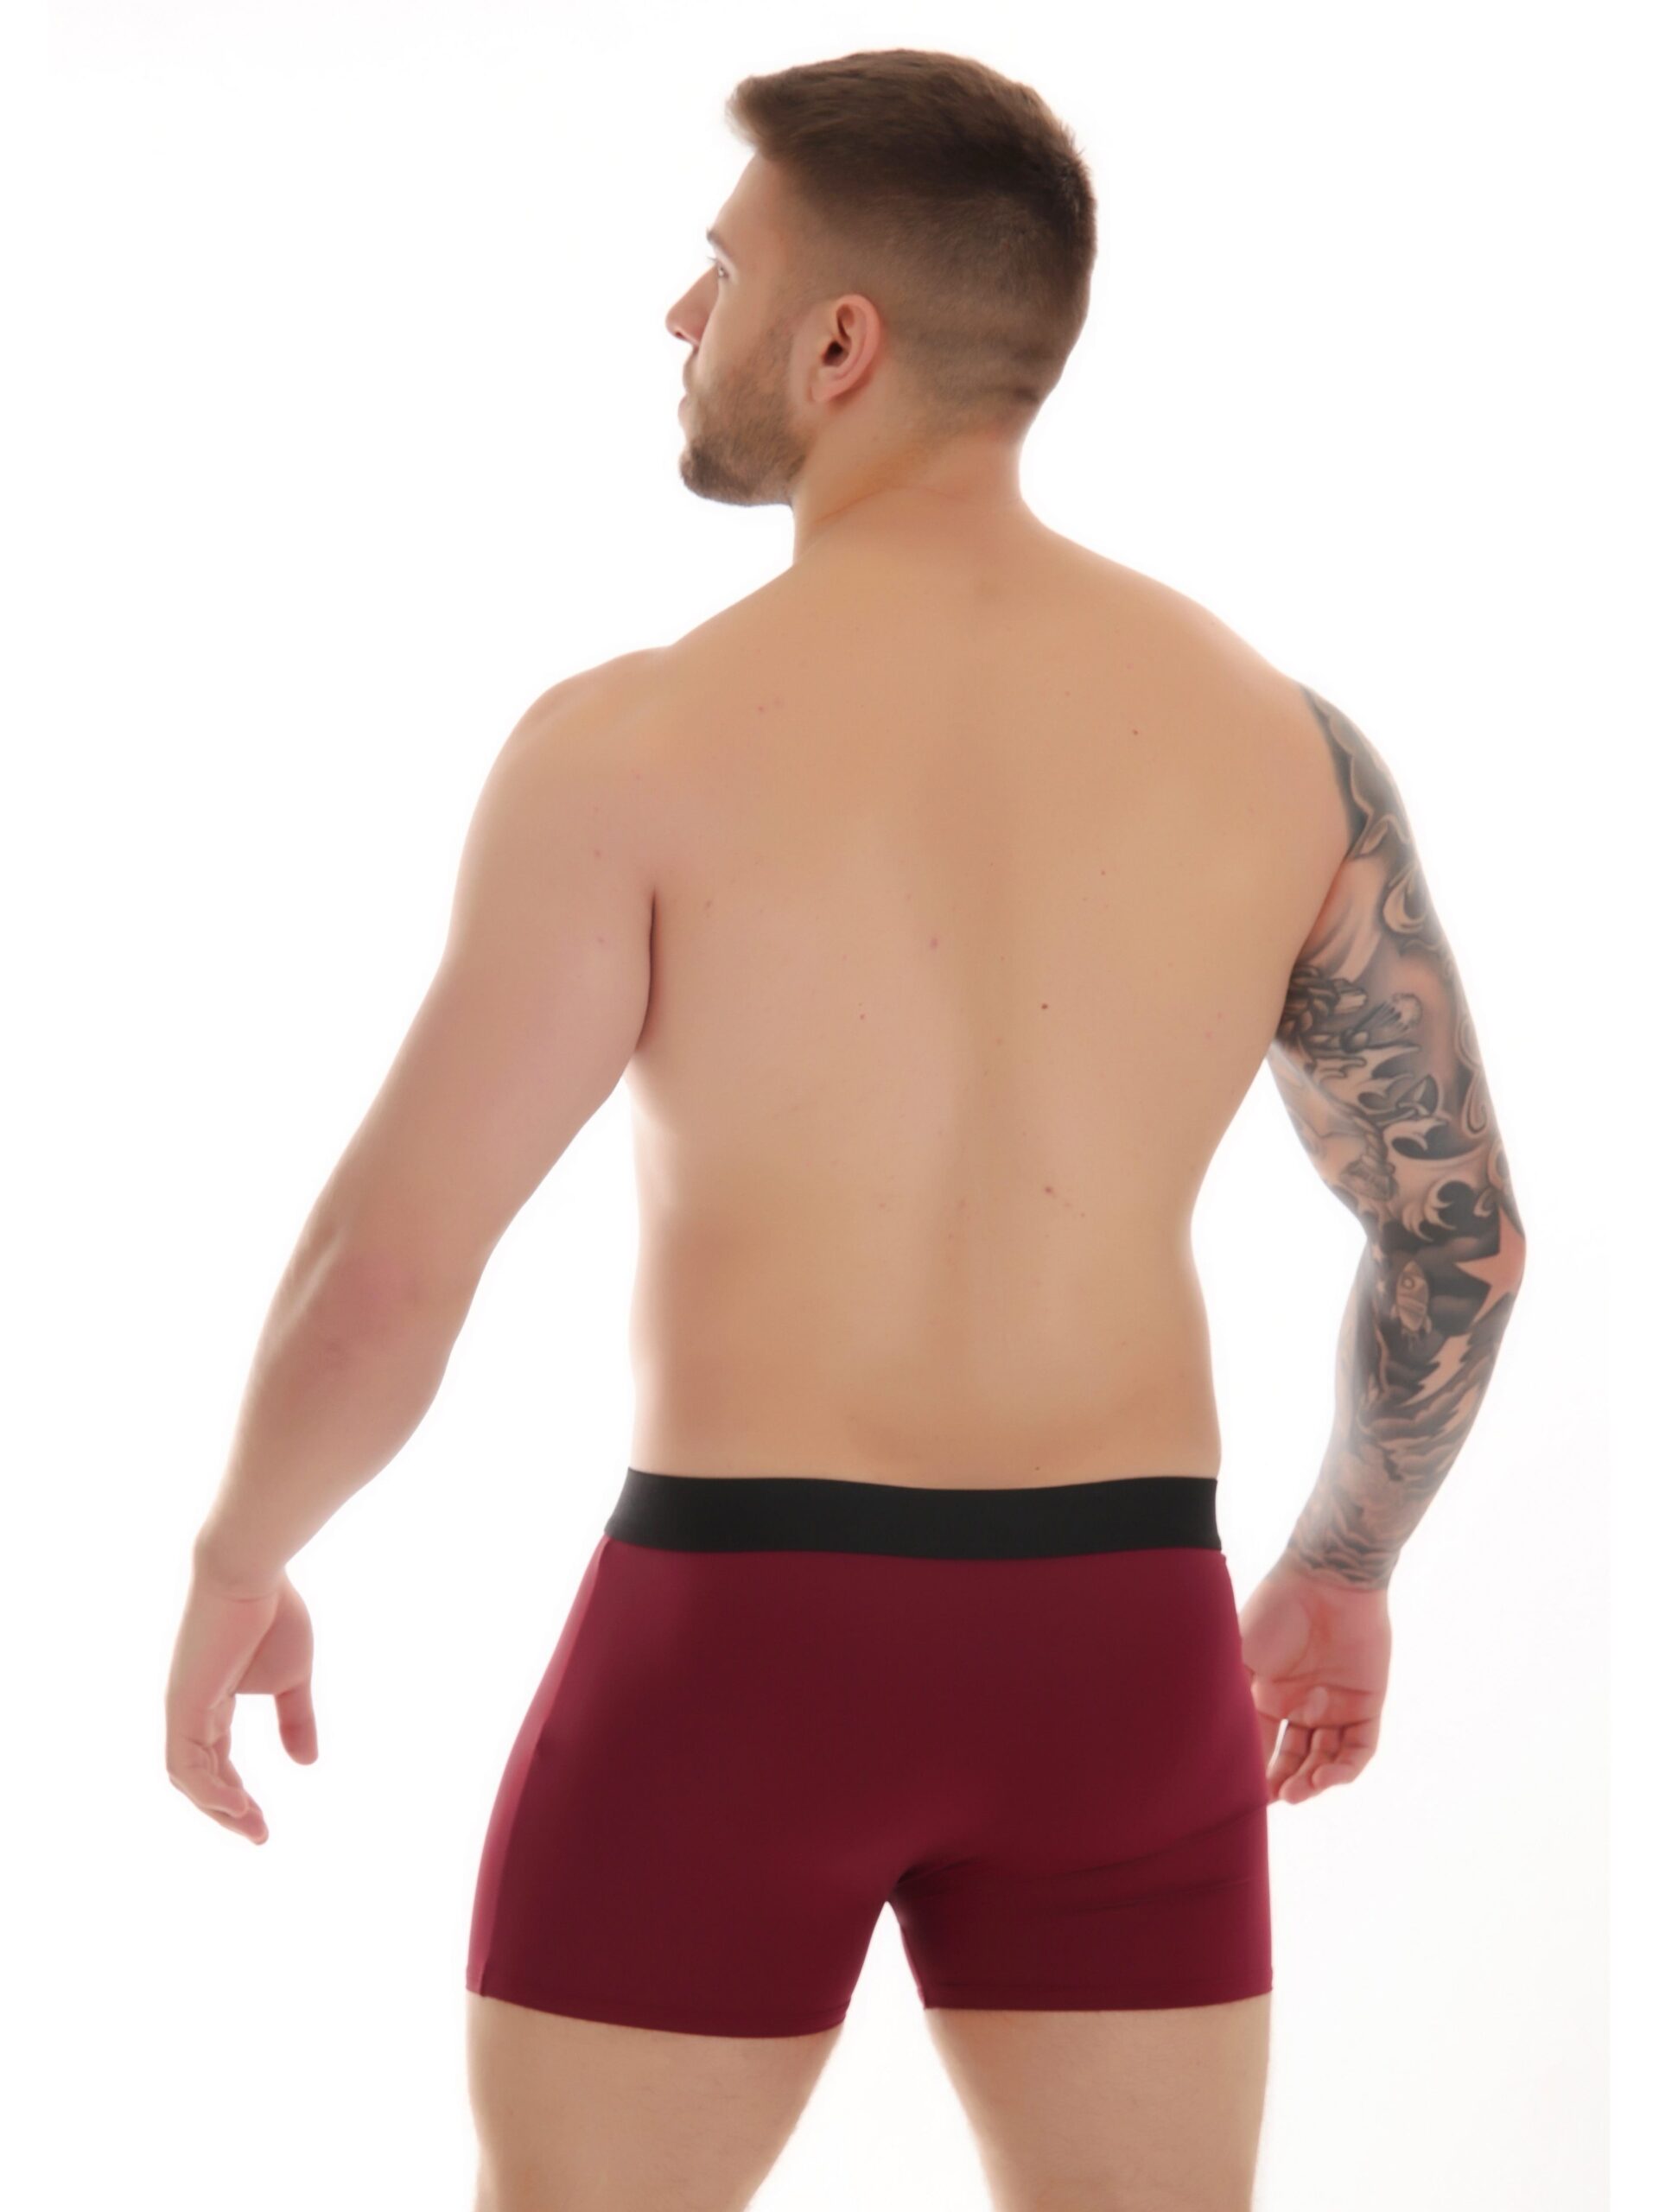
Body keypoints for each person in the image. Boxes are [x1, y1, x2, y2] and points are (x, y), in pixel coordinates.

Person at [163, 45, 1528, 2212]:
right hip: (1124, 1645)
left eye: (718, 272)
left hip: (739, 1642)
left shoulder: (633, 744)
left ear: (839, 344)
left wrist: (242, 1551)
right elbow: (1458, 1232)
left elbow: (390, 1269)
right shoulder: (1284, 745)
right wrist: (1346, 1564)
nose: (677, 315)